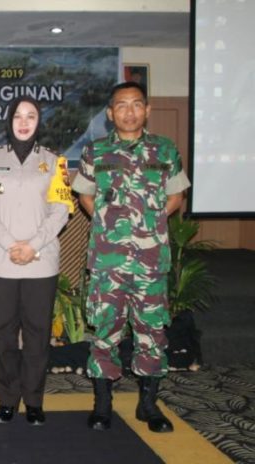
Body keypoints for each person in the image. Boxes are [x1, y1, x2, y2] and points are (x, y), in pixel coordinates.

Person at [71, 81, 191, 433]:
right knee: (105, 332)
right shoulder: (96, 152)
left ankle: (148, 405)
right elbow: (85, 197)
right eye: (121, 106)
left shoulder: (165, 150)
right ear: (110, 113)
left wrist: (148, 226)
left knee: (151, 333)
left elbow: (175, 198)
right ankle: (103, 405)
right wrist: (111, 226)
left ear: (147, 110)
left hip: (151, 262)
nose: (128, 111)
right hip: (109, 262)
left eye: (136, 104)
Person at [0, 96, 73, 426]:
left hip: (41, 262)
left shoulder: (54, 162)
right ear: (9, 120)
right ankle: (6, 400)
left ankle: (33, 401)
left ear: (39, 122)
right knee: (3, 335)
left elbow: (60, 211)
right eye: (18, 115)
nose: (23, 121)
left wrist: (31, 246)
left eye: (31, 115)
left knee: (37, 334)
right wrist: (10, 244)